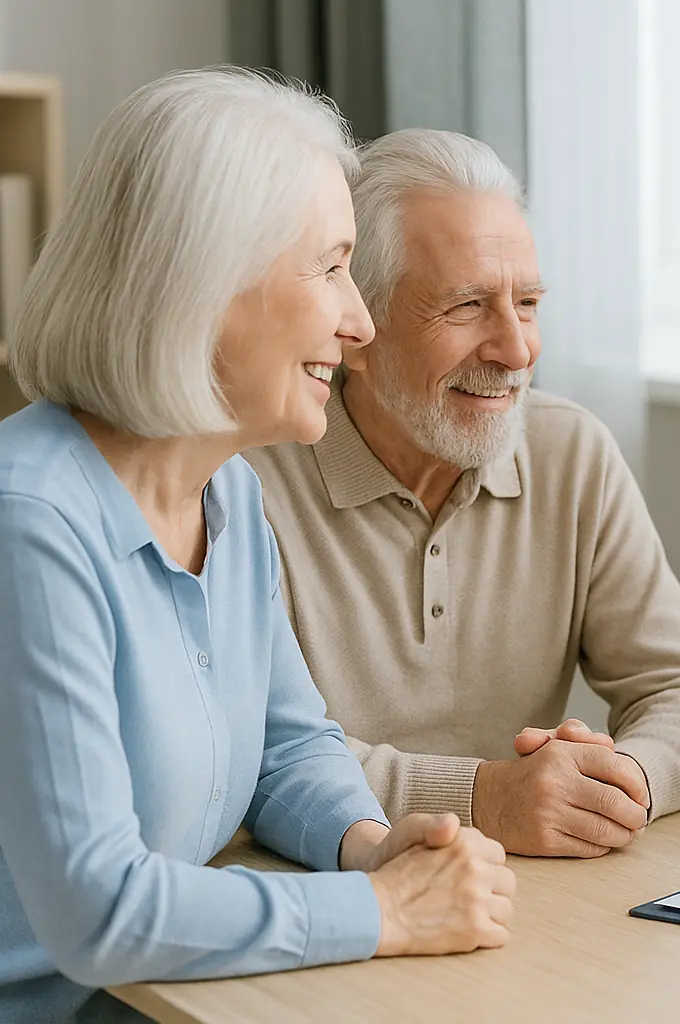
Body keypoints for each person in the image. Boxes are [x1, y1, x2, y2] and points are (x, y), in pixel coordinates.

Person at [0, 70, 516, 1022]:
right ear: (205, 280)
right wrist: (383, 911)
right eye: (330, 268)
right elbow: (96, 910)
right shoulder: (28, 523)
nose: (359, 322)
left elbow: (286, 746)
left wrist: (372, 847)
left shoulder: (227, 491)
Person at [244, 128, 680, 859]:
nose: (516, 350)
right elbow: (253, 753)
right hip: (330, 885)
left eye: (528, 303)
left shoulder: (572, 452)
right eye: (468, 306)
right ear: (358, 329)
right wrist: (481, 798)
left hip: (529, 887)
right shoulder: (245, 483)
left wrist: (619, 783)